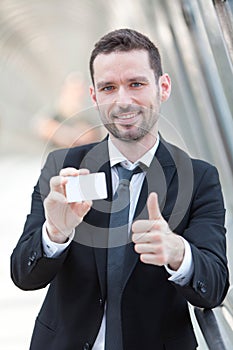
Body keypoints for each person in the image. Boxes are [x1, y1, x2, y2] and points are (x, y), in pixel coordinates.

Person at [11, 28, 229, 350]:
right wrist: (54, 233)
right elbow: (24, 275)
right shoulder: (63, 168)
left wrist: (178, 253)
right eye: (109, 87)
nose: (122, 100)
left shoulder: (198, 179)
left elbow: (214, 286)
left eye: (136, 84)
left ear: (163, 87)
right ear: (94, 96)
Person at [33, 71, 104, 148]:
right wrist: (74, 135)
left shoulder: (89, 114)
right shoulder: (54, 112)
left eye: (80, 90)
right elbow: (44, 128)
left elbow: (88, 138)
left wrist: (59, 132)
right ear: (64, 90)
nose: (77, 94)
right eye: (74, 89)